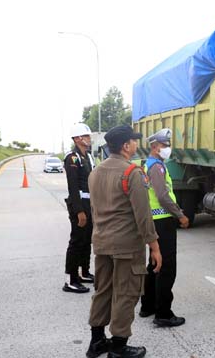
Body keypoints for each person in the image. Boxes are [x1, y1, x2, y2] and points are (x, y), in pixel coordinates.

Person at [86, 125, 162, 358]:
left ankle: (97, 340)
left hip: (102, 243)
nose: (136, 144)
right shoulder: (132, 173)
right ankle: (119, 346)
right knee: (127, 293)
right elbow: (143, 215)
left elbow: (94, 209)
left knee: (103, 291)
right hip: (127, 246)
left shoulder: (95, 172)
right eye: (134, 141)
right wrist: (155, 246)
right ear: (126, 146)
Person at [139, 128, 189, 327]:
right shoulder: (157, 167)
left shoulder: (149, 164)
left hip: (154, 220)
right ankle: (163, 313)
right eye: (165, 145)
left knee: (154, 265)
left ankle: (148, 305)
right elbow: (162, 196)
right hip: (163, 221)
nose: (168, 148)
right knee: (166, 267)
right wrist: (180, 214)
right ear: (154, 147)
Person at [63, 123, 96, 293]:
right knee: (76, 241)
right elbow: (73, 187)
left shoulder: (88, 157)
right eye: (87, 136)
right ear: (77, 139)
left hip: (90, 203)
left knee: (86, 240)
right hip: (79, 204)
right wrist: (79, 211)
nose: (89, 139)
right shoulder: (72, 158)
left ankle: (84, 272)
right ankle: (70, 279)